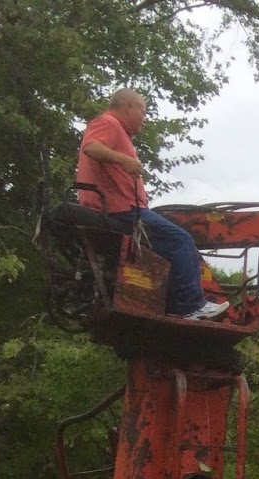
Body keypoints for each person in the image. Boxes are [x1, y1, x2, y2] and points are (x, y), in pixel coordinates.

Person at [76, 88, 228, 320]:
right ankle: (191, 306)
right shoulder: (108, 122)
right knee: (180, 241)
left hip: (122, 209)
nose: (145, 120)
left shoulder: (118, 131)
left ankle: (170, 302)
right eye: (143, 112)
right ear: (127, 106)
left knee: (166, 249)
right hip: (121, 211)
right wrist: (125, 160)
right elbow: (91, 147)